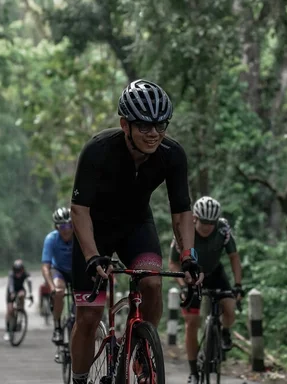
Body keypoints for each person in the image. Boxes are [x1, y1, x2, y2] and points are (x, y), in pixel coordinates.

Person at [69, 79, 204, 384]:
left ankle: (143, 348)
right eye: (143, 126)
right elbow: (80, 210)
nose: (153, 133)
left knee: (153, 284)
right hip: (95, 229)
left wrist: (188, 256)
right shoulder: (98, 150)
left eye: (160, 125)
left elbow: (182, 210)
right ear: (124, 124)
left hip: (136, 226)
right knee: (89, 316)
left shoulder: (172, 154)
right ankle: (78, 379)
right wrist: (92, 256)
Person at [169, 196, 244, 384]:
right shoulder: (184, 232)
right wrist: (183, 286)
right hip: (192, 276)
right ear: (195, 218)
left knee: (230, 307)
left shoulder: (223, 230)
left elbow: (234, 257)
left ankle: (224, 332)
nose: (207, 227)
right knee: (192, 322)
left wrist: (238, 285)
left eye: (212, 223)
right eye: (204, 222)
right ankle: (194, 372)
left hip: (215, 273)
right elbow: (173, 263)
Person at [41, 207, 74, 344]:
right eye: (62, 226)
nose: (66, 229)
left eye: (70, 225)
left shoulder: (79, 237)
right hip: (59, 270)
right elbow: (45, 267)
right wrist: (51, 287)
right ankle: (58, 327)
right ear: (56, 227)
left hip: (75, 271)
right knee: (59, 291)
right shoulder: (51, 239)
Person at [3, 259, 33, 341]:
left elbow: (29, 283)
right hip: (10, 291)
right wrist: (12, 293)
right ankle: (7, 330)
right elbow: (11, 284)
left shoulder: (26, 274)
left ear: (22, 269)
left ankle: (21, 311)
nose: (17, 272)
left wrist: (30, 294)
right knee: (10, 310)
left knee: (22, 295)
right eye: (16, 270)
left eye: (19, 270)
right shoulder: (11, 274)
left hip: (20, 289)